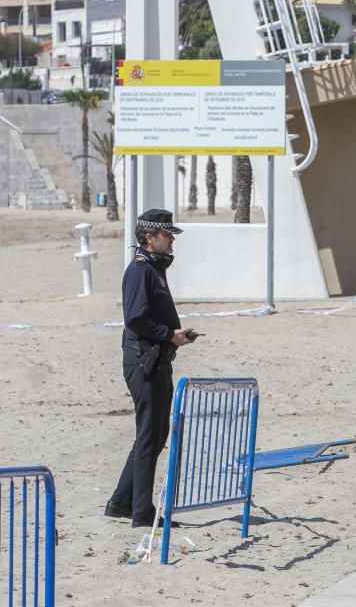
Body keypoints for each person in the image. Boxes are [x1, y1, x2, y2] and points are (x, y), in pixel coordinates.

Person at [106, 210, 194, 528]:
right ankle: (141, 512)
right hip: (143, 360)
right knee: (149, 435)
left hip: (156, 359)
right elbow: (136, 318)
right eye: (166, 235)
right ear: (149, 238)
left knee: (155, 434)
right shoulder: (140, 270)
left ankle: (121, 501)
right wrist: (168, 335)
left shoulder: (155, 268)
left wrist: (172, 337)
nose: (171, 240)